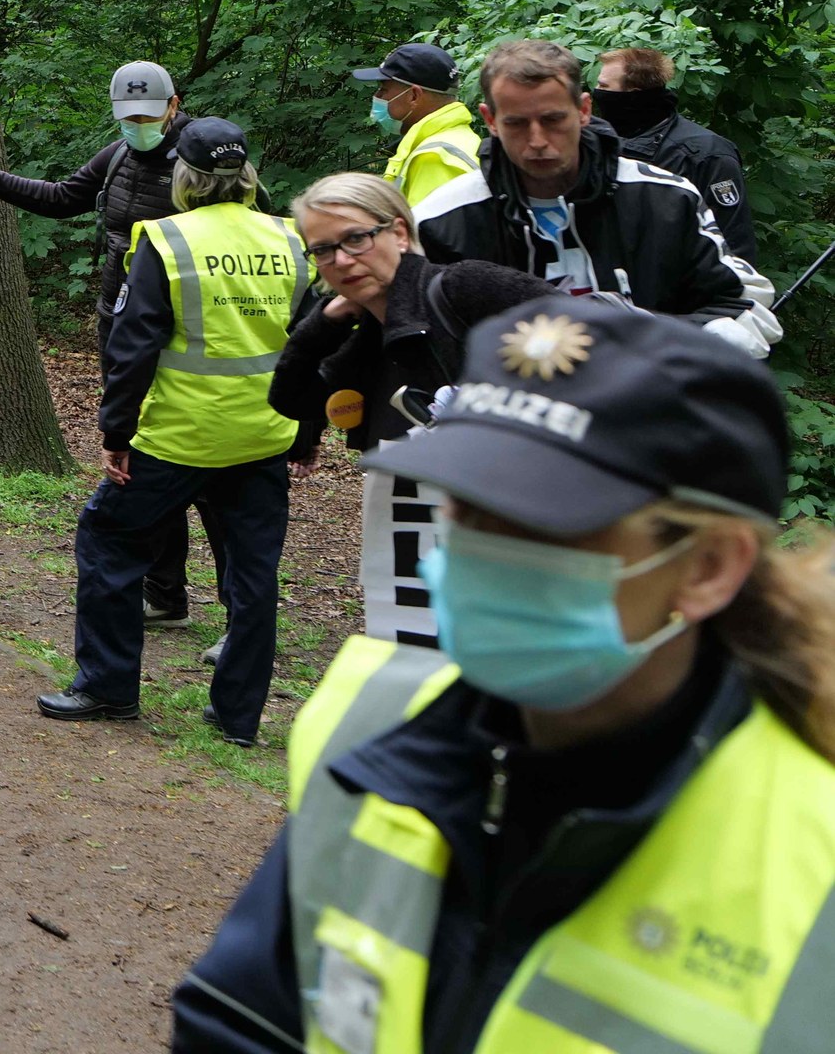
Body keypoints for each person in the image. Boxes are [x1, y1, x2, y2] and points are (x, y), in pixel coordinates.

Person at [172, 294, 835, 1054]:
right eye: (473, 508)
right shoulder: (367, 724)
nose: (487, 551)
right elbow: (244, 1021)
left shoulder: (816, 862)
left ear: (709, 568)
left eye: (550, 522)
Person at [38, 118, 300, 746]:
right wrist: (306, 425)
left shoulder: (164, 239)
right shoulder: (290, 239)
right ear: (247, 176)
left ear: (185, 174)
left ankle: (106, 685)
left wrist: (115, 431)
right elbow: (309, 342)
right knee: (253, 574)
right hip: (262, 436)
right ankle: (238, 717)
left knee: (110, 540)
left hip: (177, 436)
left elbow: (134, 349)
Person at [0, 59, 217, 621]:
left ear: (174, 105)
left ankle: (216, 604)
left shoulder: (201, 163)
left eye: (148, 114)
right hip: (122, 321)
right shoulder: (118, 157)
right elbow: (62, 197)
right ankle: (166, 591)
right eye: (128, 116)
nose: (138, 124)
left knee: (195, 470)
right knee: (142, 457)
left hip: (185, 332)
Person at [274, 172, 551, 648]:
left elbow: (596, 341)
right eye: (321, 250)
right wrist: (322, 322)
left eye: (356, 238)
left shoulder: (462, 289)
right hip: (422, 569)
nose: (340, 260)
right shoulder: (366, 341)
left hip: (525, 545)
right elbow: (294, 400)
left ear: (400, 232)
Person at [414, 38, 777, 355]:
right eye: (517, 123)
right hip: (506, 423)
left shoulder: (666, 198)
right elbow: (409, 328)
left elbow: (747, 305)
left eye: (553, 120)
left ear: (584, 110)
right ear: (490, 120)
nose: (538, 140)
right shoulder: (442, 217)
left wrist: (649, 336)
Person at [593, 45, 759, 264]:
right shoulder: (595, 143)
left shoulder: (707, 154)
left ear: (632, 95)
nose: (595, 91)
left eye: (603, 86)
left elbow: (734, 244)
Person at [357, 39, 483, 207]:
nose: (377, 97)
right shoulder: (460, 139)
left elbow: (425, 232)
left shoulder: (434, 158)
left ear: (414, 96)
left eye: (383, 89)